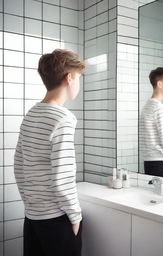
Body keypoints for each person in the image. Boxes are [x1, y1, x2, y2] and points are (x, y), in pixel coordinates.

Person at [14, 49, 85, 256]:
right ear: (69, 78)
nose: (78, 84)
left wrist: (30, 204)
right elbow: (62, 178)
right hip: (56, 219)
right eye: (79, 78)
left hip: (33, 217)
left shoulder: (31, 114)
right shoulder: (63, 118)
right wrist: (75, 216)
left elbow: (18, 165)